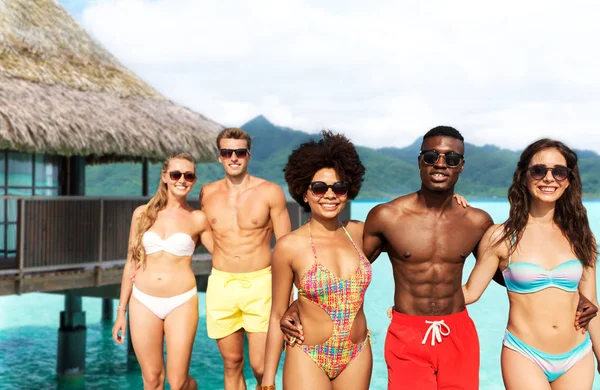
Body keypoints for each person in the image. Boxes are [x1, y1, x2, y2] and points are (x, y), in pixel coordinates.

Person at [278, 126, 599, 389]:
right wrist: (302, 300)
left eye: (452, 158)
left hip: (459, 332)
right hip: (408, 334)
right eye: (432, 156)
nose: (441, 163)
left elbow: (509, 274)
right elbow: (348, 269)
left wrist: (573, 295)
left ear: (462, 166)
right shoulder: (387, 216)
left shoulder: (476, 221)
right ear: (420, 161)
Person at [462, 138, 599, 389]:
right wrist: (414, 302)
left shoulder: (582, 236)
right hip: (524, 354)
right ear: (524, 177)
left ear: (568, 180)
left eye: (559, 171)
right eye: (539, 170)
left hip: (578, 354)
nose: (549, 178)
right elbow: (469, 293)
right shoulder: (501, 236)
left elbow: (591, 306)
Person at [261, 131, 373, 390]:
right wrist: (267, 381)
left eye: (339, 187)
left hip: (357, 353)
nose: (330, 195)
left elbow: (408, 232)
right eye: (320, 188)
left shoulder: (359, 232)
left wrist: (450, 201)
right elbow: (277, 312)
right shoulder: (289, 246)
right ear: (304, 193)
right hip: (308, 354)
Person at [200, 127, 292, 390]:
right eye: (227, 152)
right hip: (221, 284)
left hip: (261, 283)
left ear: (249, 156)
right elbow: (202, 228)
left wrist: (292, 296)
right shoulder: (208, 193)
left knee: (262, 367)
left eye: (239, 152)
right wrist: (218, 253)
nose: (233, 157)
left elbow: (286, 245)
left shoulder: (270, 192)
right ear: (219, 157)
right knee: (231, 363)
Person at [112, 152, 212, 390]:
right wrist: (120, 312)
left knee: (177, 383)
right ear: (165, 177)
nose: (182, 180)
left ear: (194, 180)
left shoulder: (198, 218)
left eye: (189, 175)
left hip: (182, 301)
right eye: (176, 174)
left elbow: (222, 255)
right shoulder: (142, 214)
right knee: (152, 379)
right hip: (143, 300)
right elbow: (131, 262)